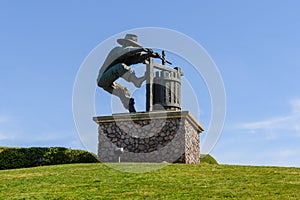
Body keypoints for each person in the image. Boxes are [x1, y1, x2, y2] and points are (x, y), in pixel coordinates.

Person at [97, 34, 159, 113]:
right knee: (120, 66)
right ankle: (136, 80)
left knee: (124, 91)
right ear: (125, 43)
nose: (132, 47)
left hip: (109, 84)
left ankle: (132, 111)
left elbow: (137, 59)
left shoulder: (127, 57)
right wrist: (141, 49)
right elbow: (126, 51)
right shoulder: (117, 50)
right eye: (131, 45)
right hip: (102, 79)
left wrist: (149, 55)